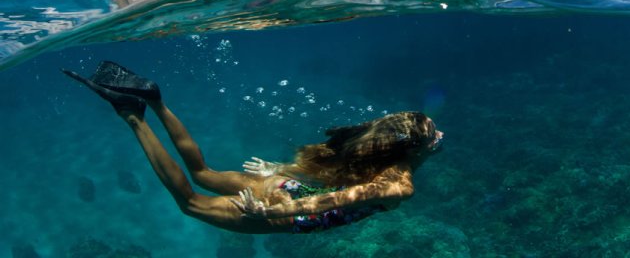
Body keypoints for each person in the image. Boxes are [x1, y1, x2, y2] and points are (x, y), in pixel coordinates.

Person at [62, 61, 444, 234]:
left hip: (284, 189)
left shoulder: (372, 154)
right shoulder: (399, 185)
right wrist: (266, 215)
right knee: (190, 202)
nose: (440, 136)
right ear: (412, 148)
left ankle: (158, 101)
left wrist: (280, 171)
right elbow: (332, 202)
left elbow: (331, 176)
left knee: (203, 172)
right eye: (433, 135)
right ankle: (134, 116)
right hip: (288, 210)